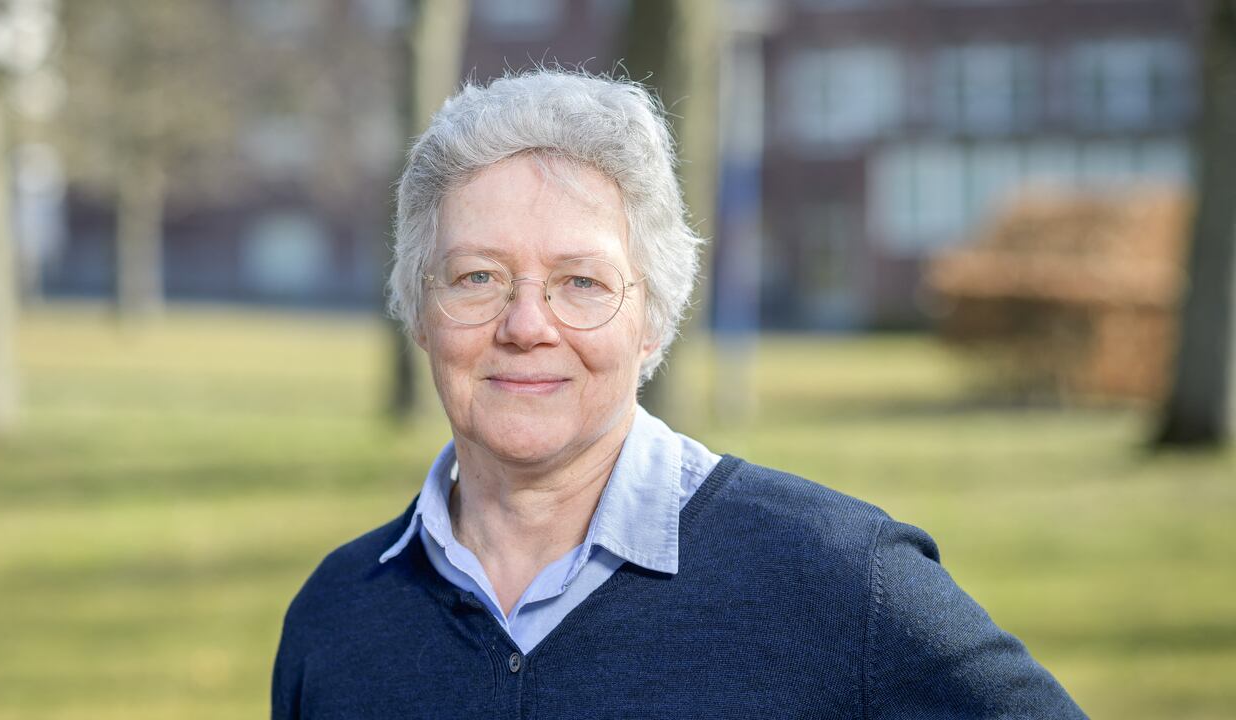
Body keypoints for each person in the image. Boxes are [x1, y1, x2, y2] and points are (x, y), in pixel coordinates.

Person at [271, 69, 1086, 719]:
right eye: (477, 277)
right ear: (418, 310)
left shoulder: (841, 582)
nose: (526, 325)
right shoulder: (338, 617)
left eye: (581, 282)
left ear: (654, 320)